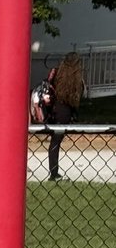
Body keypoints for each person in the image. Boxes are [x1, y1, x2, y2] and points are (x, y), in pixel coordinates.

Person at [46, 52, 85, 182]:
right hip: (65, 112)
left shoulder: (58, 74)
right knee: (56, 141)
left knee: (54, 141)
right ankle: (54, 173)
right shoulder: (76, 80)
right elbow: (76, 100)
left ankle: (54, 171)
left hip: (54, 110)